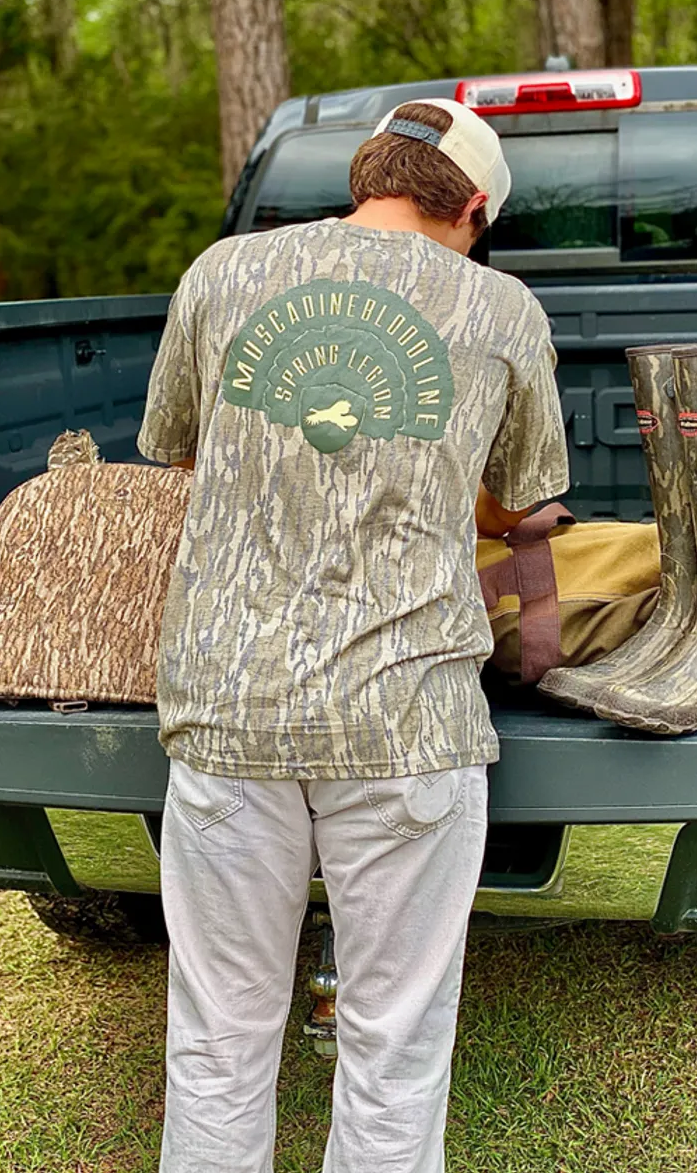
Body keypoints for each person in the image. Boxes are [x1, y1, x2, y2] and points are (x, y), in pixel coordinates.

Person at [137, 98, 571, 1173]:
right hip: (404, 720)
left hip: (229, 708)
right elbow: (519, 500)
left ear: (365, 175)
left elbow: (180, 452)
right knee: (392, 1036)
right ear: (471, 206)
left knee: (218, 1028)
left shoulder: (220, 272)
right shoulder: (500, 308)